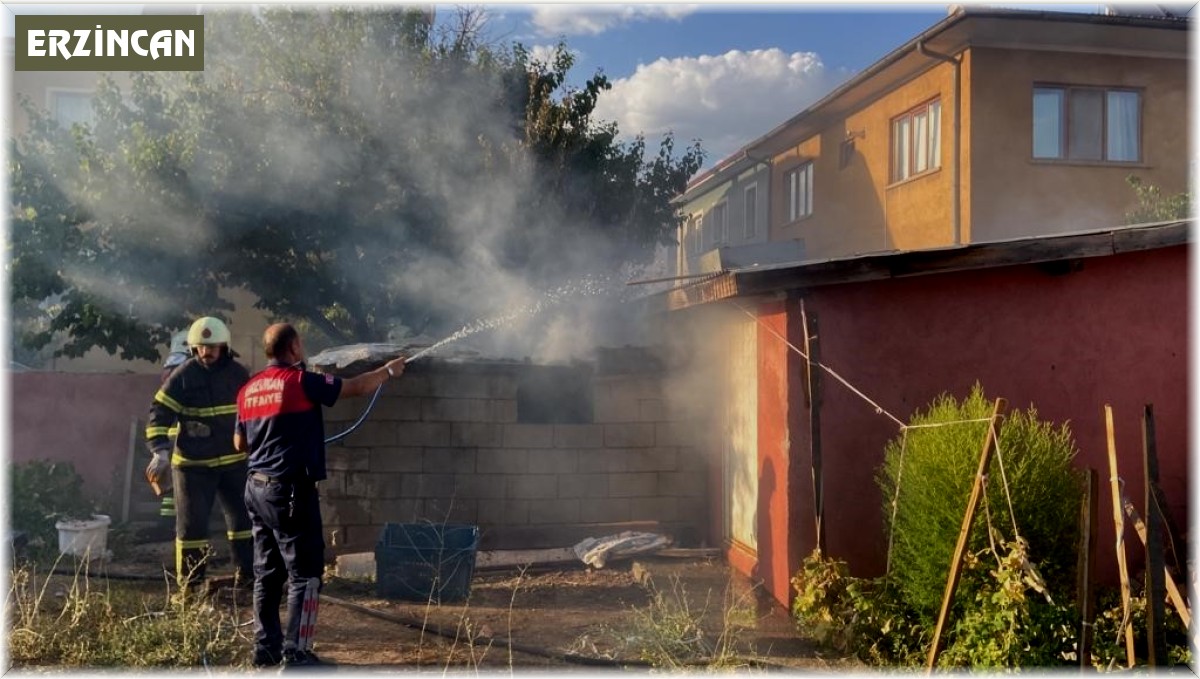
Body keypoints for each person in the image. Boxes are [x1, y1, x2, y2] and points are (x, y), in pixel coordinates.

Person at [235, 322, 406, 669]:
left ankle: (265, 650)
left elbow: (239, 443)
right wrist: (388, 371)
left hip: (255, 487)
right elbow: (356, 387)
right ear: (294, 347)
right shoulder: (300, 381)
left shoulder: (248, 389)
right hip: (289, 490)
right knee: (306, 573)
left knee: (267, 573)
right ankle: (297, 656)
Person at [145, 317, 254, 593]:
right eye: (201, 348)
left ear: (224, 347)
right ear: (193, 349)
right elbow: (158, 414)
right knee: (192, 530)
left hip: (234, 463)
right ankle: (190, 589)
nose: (207, 353)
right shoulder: (182, 376)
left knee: (243, 523)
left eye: (213, 347)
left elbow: (254, 412)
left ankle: (248, 580)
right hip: (192, 467)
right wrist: (159, 452)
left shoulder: (239, 374)